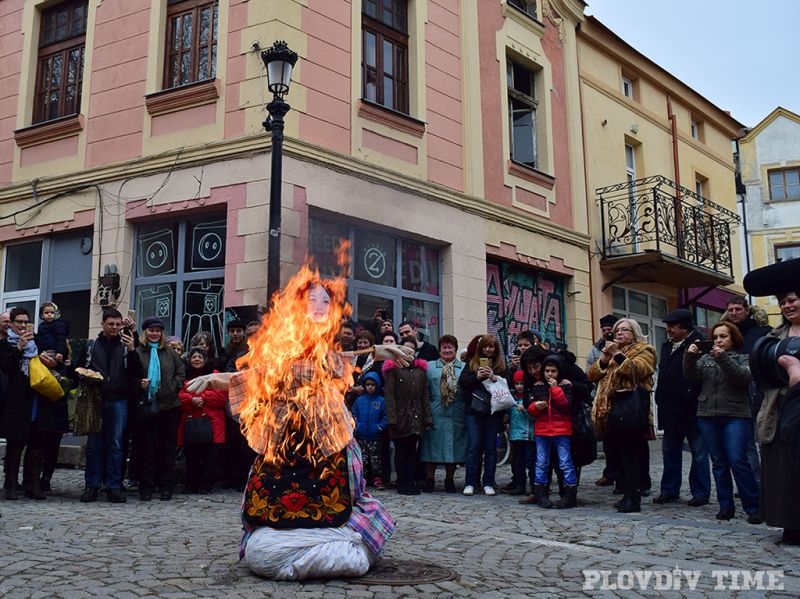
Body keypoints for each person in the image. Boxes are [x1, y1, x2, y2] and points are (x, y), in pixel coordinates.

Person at [185, 269, 408, 579]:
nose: (318, 305)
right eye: (311, 299)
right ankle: (301, 549)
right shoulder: (281, 344)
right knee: (270, 522)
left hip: (329, 439)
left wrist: (376, 352)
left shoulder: (327, 349)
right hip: (286, 441)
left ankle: (332, 544)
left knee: (337, 502)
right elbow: (255, 377)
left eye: (325, 300)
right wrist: (216, 379)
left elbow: (342, 360)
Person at [742, 258, 800, 545]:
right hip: (779, 410)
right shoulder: (773, 337)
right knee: (782, 469)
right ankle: (789, 524)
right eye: (783, 302)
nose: (787, 306)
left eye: (792, 300)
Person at [683, 322, 761, 523]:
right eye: (716, 336)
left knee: (737, 460)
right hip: (707, 414)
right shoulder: (706, 359)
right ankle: (726, 506)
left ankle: (754, 507)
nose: (718, 340)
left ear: (733, 339)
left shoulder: (744, 358)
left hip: (736, 415)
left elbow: (742, 378)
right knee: (718, 462)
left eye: (723, 336)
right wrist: (690, 356)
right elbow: (690, 375)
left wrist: (723, 358)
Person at [589, 318, 657, 513]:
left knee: (630, 454)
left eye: (625, 330)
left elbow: (637, 370)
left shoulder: (645, 350)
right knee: (615, 453)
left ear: (634, 333)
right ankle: (624, 490)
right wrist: (603, 359)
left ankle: (633, 497)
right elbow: (592, 375)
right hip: (609, 410)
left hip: (630, 409)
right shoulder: (609, 352)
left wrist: (617, 355)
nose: (619, 333)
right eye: (617, 330)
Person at [76, 308, 138, 504]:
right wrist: (85, 375)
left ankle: (114, 486)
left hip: (119, 399)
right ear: (103, 324)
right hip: (96, 398)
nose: (114, 327)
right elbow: (77, 368)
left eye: (118, 324)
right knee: (94, 445)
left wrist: (132, 349)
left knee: (117, 445)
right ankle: (91, 486)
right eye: (110, 324)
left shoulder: (126, 344)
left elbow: (137, 371)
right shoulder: (92, 346)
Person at [0, 308, 61, 501]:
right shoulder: (4, 344)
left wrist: (49, 361)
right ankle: (10, 485)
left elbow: (50, 364)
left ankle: (33, 484)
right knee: (15, 443)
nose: (23, 325)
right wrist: (18, 348)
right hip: (17, 400)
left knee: (37, 442)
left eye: (25, 322)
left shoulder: (36, 341)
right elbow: (7, 368)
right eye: (19, 322)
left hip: (37, 397)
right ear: (10, 323)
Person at [653, 309, 710, 507]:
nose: (668, 329)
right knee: (670, 452)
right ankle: (669, 490)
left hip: (693, 408)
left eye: (672, 325)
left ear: (685, 327)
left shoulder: (699, 344)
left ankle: (701, 492)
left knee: (699, 453)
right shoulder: (666, 345)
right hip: (670, 408)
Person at [133, 317, 186, 501]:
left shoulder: (171, 353)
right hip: (147, 407)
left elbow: (181, 373)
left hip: (169, 406)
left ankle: (166, 487)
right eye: (151, 330)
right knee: (147, 448)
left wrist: (171, 387)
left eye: (158, 331)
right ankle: (146, 487)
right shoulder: (138, 352)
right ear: (145, 332)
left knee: (167, 448)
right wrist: (140, 384)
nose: (154, 333)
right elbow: (131, 374)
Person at [722, 296, 772, 482]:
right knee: (746, 441)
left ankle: (768, 481)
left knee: (765, 437)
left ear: (747, 310)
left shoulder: (763, 332)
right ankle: (752, 480)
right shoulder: (725, 333)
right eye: (731, 309)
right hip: (733, 392)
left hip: (761, 389)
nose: (734, 313)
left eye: (738, 309)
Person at [527, 355, 578, 509]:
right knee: (541, 463)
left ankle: (570, 494)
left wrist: (555, 388)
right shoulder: (537, 386)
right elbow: (530, 409)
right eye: (547, 371)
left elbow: (565, 405)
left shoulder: (565, 386)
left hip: (561, 430)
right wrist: (536, 406)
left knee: (565, 463)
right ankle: (541, 494)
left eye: (553, 371)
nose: (550, 374)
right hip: (542, 431)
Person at [458, 333, 506, 496]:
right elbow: (463, 383)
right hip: (474, 410)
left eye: (491, 346)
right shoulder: (472, 363)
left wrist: (494, 378)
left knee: (491, 448)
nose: (487, 349)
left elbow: (507, 387)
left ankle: (488, 482)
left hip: (493, 412)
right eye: (485, 346)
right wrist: (477, 377)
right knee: (473, 447)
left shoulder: (500, 365)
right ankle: (470, 482)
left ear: (495, 349)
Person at [383, 341, 432, 496]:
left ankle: (410, 481)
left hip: (416, 417)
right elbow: (389, 396)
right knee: (401, 451)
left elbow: (425, 396)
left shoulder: (420, 372)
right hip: (400, 416)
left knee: (412, 452)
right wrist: (392, 419)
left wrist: (427, 418)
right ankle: (402, 482)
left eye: (412, 350)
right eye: (406, 350)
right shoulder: (394, 370)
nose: (409, 353)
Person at [420, 334, 467, 493]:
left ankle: (449, 479)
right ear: (439, 349)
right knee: (431, 447)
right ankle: (430, 478)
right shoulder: (429, 366)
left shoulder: (464, 367)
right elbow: (424, 390)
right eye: (444, 347)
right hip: (436, 411)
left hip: (456, 413)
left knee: (453, 447)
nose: (447, 350)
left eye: (450, 347)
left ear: (455, 349)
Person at [178, 347, 226, 493]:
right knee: (192, 456)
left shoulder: (215, 376)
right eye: (194, 357)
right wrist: (191, 400)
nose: (197, 359)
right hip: (191, 422)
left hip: (212, 422)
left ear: (206, 360)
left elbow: (221, 397)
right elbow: (179, 395)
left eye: (200, 357)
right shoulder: (183, 376)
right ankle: (192, 483)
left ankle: (206, 484)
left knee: (209, 456)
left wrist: (202, 398)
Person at [35, 301, 71, 494]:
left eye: (52, 312)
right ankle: (35, 479)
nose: (49, 315)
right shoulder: (41, 334)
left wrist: (60, 362)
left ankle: (46, 478)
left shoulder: (62, 346)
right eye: (45, 313)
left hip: (57, 405)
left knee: (52, 446)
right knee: (39, 444)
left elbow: (68, 380)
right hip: (42, 405)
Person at [587, 314, 620, 488]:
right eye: (604, 330)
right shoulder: (596, 348)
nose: (607, 333)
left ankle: (634, 478)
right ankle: (610, 473)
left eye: (610, 330)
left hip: (622, 398)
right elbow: (590, 371)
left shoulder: (624, 345)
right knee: (608, 440)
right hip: (602, 396)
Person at [350, 371, 387, 490]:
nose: (370, 387)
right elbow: (354, 414)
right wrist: (357, 426)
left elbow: (385, 416)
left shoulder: (381, 401)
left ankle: (377, 478)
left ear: (377, 385)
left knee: (375, 459)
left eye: (373, 385)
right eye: (367, 385)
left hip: (375, 436)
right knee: (363, 459)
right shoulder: (360, 400)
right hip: (361, 436)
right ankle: (363, 478)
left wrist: (380, 427)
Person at [507, 369, 535, 496]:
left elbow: (534, 417)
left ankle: (534, 486)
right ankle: (520, 485)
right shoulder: (511, 400)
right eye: (517, 384)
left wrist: (525, 410)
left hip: (528, 436)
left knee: (530, 461)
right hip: (515, 435)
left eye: (522, 384)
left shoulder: (530, 399)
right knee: (518, 462)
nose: (519, 387)